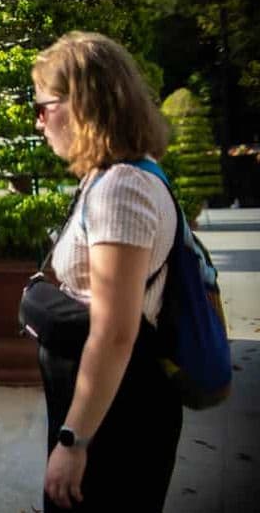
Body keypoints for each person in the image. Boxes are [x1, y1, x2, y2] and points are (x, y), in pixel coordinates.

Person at [31, 31, 182, 512]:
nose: (38, 122)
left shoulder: (122, 188)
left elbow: (116, 331)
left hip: (118, 415)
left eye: (43, 106)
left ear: (82, 105)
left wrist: (74, 442)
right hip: (105, 405)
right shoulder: (110, 177)